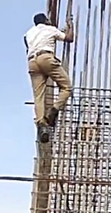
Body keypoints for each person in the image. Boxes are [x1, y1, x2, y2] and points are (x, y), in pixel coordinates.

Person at [24, 13, 74, 143]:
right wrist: (70, 25)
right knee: (66, 87)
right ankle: (54, 109)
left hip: (32, 61)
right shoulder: (50, 29)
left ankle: (41, 124)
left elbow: (27, 44)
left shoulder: (29, 33)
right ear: (46, 20)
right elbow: (69, 38)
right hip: (46, 58)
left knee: (38, 95)